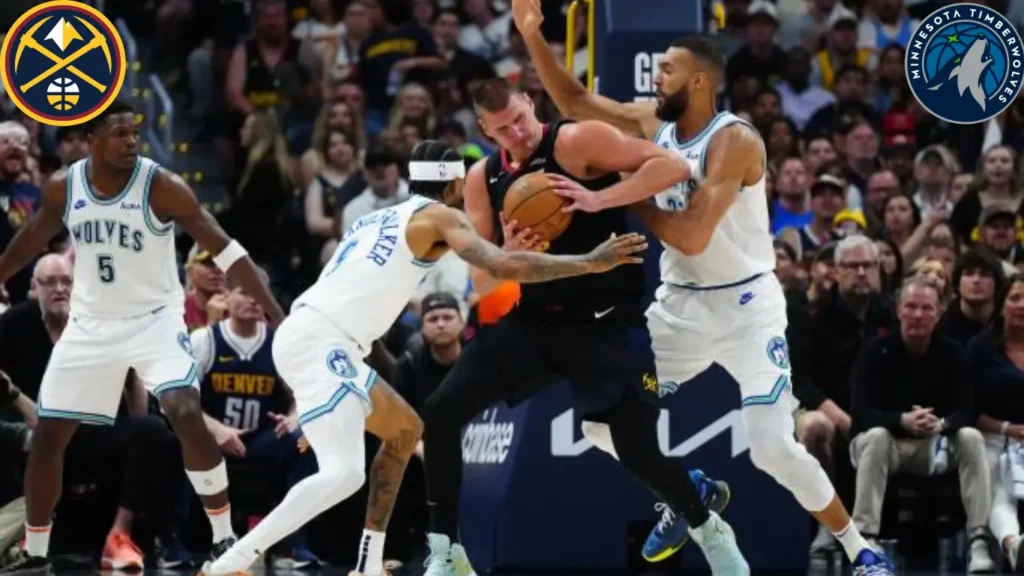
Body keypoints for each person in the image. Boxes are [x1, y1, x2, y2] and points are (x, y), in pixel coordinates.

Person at [512, 1, 895, 573]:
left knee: (772, 449)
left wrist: (627, 194)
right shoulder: (651, 125)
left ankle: (860, 549)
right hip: (680, 307)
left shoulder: (734, 140)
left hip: (748, 308)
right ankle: (682, 491)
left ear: (696, 81)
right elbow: (575, 105)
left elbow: (690, 236)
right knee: (597, 423)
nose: (655, 76)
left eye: (665, 69)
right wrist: (533, 34)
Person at [200, 140, 648, 576]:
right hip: (322, 341)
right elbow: (499, 270)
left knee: (404, 431)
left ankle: (368, 563)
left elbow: (479, 269)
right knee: (343, 474)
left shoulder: (376, 219)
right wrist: (590, 261)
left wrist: (504, 252)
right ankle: (229, 564)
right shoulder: (441, 216)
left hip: (323, 339)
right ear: (453, 183)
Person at [420, 78, 742, 576]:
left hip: (607, 324)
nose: (518, 132)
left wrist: (600, 200)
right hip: (536, 323)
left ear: (530, 103)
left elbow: (672, 165)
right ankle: (446, 552)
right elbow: (483, 283)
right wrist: (506, 249)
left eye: (521, 119)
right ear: (486, 130)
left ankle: (707, 527)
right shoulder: (483, 178)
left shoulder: (575, 141)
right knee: (440, 412)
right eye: (503, 129)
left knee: (639, 453)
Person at [0, 101, 286, 573]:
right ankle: (34, 552)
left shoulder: (160, 186)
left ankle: (224, 538)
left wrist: (277, 314)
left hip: (154, 320)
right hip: (92, 325)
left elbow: (227, 250)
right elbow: (32, 237)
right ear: (91, 138)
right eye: (120, 135)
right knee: (49, 434)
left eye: (135, 134)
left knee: (183, 408)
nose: (133, 142)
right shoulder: (63, 187)